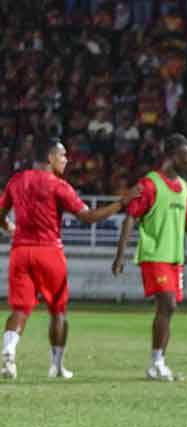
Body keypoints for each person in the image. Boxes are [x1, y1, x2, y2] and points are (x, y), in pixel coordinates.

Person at [0, 138, 138, 380]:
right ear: (50, 158)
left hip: (20, 252)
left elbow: (0, 214)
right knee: (58, 311)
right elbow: (88, 217)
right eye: (62, 156)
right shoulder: (58, 186)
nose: (66, 160)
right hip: (49, 252)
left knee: (20, 308)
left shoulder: (16, 181)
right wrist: (120, 203)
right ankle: (57, 365)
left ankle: (9, 351)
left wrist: (10, 227)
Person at [112, 133, 187, 381]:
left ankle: (158, 363)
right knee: (168, 304)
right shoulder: (150, 184)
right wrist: (120, 255)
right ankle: (156, 362)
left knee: (169, 310)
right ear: (173, 157)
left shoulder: (185, 189)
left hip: (174, 258)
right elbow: (130, 217)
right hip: (153, 254)